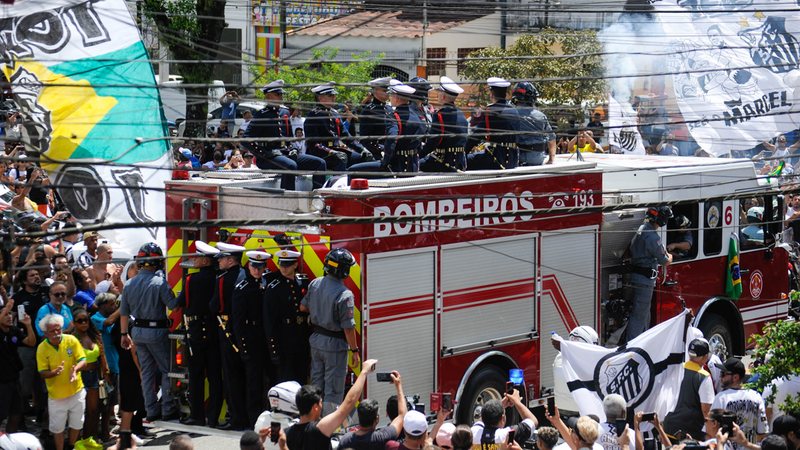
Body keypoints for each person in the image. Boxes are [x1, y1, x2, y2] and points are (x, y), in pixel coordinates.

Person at [119, 242, 180, 422]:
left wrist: (124, 335)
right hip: (157, 332)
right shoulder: (160, 283)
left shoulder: (129, 284)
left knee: (146, 373)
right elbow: (173, 306)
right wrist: (184, 293)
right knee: (166, 371)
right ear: (157, 262)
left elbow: (123, 312)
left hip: (137, 332)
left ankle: (151, 410)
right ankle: (168, 409)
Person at [300, 247, 360, 414]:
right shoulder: (345, 294)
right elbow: (348, 327)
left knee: (316, 386)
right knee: (333, 390)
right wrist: (354, 350)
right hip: (334, 346)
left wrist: (319, 310)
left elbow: (303, 306)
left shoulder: (315, 283)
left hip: (316, 341)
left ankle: (313, 420)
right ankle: (329, 428)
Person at [245, 79, 326, 190]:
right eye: (278, 94)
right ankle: (288, 197)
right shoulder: (261, 115)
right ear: (268, 97)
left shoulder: (285, 112)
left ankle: (317, 196)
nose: (281, 97)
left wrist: (292, 148)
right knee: (290, 166)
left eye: (281, 94)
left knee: (319, 163)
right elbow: (245, 139)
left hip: (285, 153)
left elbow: (287, 137)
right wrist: (263, 154)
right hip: (268, 157)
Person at [175, 241, 223, 427]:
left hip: (196, 333)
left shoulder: (191, 280)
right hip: (214, 332)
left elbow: (181, 303)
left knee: (195, 376)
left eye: (196, 257)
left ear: (205, 261)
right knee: (215, 377)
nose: (193, 260)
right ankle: (213, 418)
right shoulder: (219, 278)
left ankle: (197, 415)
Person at [285, 358, 377, 450]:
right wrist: (364, 372)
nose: (322, 406)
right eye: (321, 403)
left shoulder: (286, 432)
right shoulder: (319, 429)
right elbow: (349, 402)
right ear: (315, 407)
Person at [208, 242, 248, 430]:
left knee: (232, 377)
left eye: (222, 258)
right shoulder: (246, 275)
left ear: (231, 260)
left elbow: (215, 306)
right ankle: (247, 416)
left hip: (228, 333)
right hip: (247, 334)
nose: (220, 261)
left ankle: (236, 418)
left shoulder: (223, 279)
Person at [231, 250, 271, 428]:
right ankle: (253, 419)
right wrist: (243, 347)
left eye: (260, 267)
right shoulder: (242, 288)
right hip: (251, 340)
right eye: (254, 266)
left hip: (265, 339)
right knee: (253, 383)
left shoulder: (266, 285)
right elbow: (238, 323)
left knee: (267, 381)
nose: (257, 270)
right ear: (249, 266)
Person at [348, 83, 424, 175]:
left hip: (395, 165)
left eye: (391, 95)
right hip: (413, 165)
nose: (389, 97)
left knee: (352, 171)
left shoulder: (393, 115)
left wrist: (385, 161)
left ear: (397, 98)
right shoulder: (415, 115)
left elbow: (392, 138)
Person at [37, 314, 86, 450]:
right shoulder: (42, 348)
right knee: (57, 428)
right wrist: (53, 373)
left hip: (76, 391)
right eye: (53, 331)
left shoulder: (71, 340)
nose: (57, 333)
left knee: (77, 424)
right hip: (57, 396)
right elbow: (42, 372)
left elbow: (82, 359)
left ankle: (71, 446)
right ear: (45, 333)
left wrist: (75, 369)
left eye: (58, 329)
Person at [625, 206, 673, 341]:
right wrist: (670, 256)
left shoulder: (641, 229)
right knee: (639, 315)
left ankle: (643, 343)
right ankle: (632, 345)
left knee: (644, 314)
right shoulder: (652, 237)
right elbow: (664, 260)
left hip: (637, 277)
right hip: (645, 280)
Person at [264, 249, 311, 384]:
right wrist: (274, 350)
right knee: (287, 381)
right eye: (281, 265)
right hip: (284, 341)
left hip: (301, 338)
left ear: (295, 265)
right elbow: (269, 321)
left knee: (301, 377)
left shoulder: (303, 282)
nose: (283, 268)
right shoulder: (274, 287)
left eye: (287, 265)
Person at [304, 82, 370, 171]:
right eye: (330, 95)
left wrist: (362, 149)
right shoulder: (314, 115)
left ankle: (353, 183)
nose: (334, 98)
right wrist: (331, 152)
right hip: (319, 153)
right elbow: (313, 144)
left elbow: (346, 136)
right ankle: (337, 184)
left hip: (335, 150)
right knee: (340, 159)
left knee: (362, 157)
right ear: (321, 98)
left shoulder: (334, 113)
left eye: (334, 95)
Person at [336, 370, 406, 449]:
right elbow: (402, 416)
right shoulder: (383, 437)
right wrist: (398, 385)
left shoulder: (346, 440)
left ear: (359, 417)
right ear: (377, 419)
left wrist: (363, 373)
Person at [663, 338, 715, 441]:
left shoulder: (677, 368)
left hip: (669, 427)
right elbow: (706, 410)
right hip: (690, 433)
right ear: (705, 357)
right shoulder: (704, 377)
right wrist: (711, 435)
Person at [712, 357, 769, 449]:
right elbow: (762, 432)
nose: (720, 377)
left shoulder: (721, 398)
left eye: (723, 374)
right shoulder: (756, 396)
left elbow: (712, 429)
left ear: (735, 377)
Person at [70, 308, 107, 444]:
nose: (84, 323)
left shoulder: (95, 336)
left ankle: (89, 438)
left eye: (86, 320)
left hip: (94, 376)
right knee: (79, 411)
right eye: (80, 321)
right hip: (79, 376)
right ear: (74, 323)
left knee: (93, 410)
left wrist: (106, 373)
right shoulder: (72, 339)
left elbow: (102, 357)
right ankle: (76, 441)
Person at [467, 77, 521, 170]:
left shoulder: (490, 111)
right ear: (505, 94)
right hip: (513, 160)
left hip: (496, 160)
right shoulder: (514, 110)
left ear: (491, 94)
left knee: (465, 160)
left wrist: (463, 151)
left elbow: (476, 136)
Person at [420, 76, 468, 172]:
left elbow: (433, 142)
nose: (438, 96)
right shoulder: (461, 114)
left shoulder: (440, 115)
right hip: (460, 162)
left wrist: (419, 155)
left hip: (443, 162)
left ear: (443, 96)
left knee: (416, 165)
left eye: (439, 93)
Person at [0, 300, 36, 431]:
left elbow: (31, 342)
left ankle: (9, 441)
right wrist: (7, 307)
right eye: (6, 314)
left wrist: (28, 325)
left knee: (16, 413)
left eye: (10, 314)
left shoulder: (14, 331)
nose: (9, 316)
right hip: (1, 381)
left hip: (14, 378)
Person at [90, 293, 120, 440]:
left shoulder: (112, 316)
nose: (114, 306)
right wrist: (122, 308)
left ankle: (106, 429)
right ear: (102, 305)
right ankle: (101, 432)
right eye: (111, 304)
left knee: (111, 400)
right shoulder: (95, 318)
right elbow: (107, 323)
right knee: (103, 402)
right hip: (104, 366)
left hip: (114, 362)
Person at [470, 388, 537, 446]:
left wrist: (500, 405)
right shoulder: (506, 436)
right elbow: (533, 421)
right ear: (502, 419)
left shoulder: (473, 432)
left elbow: (482, 419)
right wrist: (517, 401)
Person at [512, 81, 556, 166]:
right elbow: (552, 139)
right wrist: (551, 160)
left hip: (517, 159)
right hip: (537, 159)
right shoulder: (541, 116)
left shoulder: (511, 115)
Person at [357, 77, 393, 159]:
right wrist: (380, 150)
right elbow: (365, 139)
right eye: (384, 91)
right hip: (377, 153)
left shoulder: (389, 108)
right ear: (374, 91)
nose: (387, 93)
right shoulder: (369, 111)